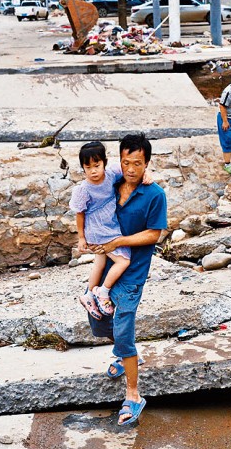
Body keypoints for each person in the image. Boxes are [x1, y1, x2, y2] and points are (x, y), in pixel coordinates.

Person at [85, 133, 167, 427]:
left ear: (147, 163)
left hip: (131, 273)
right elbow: (89, 186)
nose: (132, 169)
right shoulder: (112, 182)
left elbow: (154, 234)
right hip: (105, 265)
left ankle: (133, 394)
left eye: (138, 163)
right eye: (127, 162)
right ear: (119, 162)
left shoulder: (154, 194)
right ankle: (123, 354)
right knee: (97, 318)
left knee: (123, 330)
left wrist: (120, 240)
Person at [70, 142, 133, 319]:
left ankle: (89, 295)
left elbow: (130, 170)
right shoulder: (83, 190)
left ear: (104, 162)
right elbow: (80, 214)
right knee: (123, 261)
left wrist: (147, 174)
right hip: (98, 230)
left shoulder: (112, 174)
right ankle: (103, 291)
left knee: (100, 263)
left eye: (97, 166)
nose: (93, 171)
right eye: (88, 167)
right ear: (83, 168)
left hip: (109, 224)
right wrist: (82, 238)